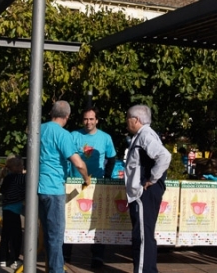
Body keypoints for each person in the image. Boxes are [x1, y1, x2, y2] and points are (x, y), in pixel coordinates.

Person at [38, 100, 91, 273]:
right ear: (67, 116)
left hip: (37, 188)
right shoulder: (63, 135)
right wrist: (86, 178)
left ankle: (50, 267)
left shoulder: (39, 129)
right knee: (56, 236)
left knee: (46, 234)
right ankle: (56, 270)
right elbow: (79, 163)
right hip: (54, 189)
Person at [64, 106, 117, 268]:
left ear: (97, 120)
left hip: (96, 186)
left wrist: (106, 178)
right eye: (86, 119)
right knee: (70, 220)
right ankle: (66, 254)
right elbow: (66, 157)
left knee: (97, 221)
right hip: (75, 184)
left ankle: (97, 256)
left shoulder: (105, 138)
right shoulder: (73, 135)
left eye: (91, 119)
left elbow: (112, 158)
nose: (88, 122)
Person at [124, 105, 171, 273]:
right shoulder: (142, 136)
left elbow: (164, 156)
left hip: (145, 193)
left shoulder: (145, 135)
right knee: (142, 235)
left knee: (143, 237)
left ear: (135, 120)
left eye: (128, 118)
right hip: (142, 193)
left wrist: (152, 179)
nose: (126, 122)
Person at [0, 156, 26, 270]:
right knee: (16, 236)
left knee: (5, 235)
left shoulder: (7, 177)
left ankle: (2, 259)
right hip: (14, 211)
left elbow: (3, 191)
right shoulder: (20, 178)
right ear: (18, 167)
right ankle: (14, 259)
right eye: (22, 165)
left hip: (6, 209)